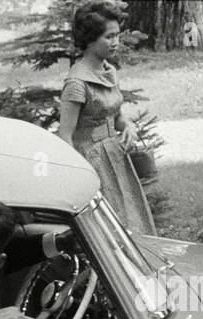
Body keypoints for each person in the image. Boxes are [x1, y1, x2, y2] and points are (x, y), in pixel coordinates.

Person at [56, 1, 155, 235]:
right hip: (91, 162)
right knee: (108, 230)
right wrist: (79, 176)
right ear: (90, 40)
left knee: (131, 217)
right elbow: (65, 135)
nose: (116, 42)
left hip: (115, 156)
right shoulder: (77, 83)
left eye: (117, 35)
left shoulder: (110, 72)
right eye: (109, 37)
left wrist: (128, 127)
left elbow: (117, 116)